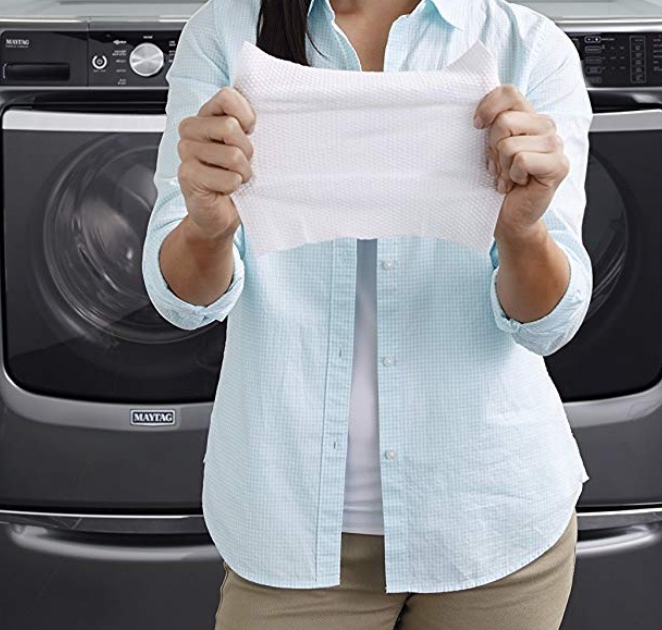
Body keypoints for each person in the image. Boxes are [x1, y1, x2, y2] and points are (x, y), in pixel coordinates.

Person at [142, 0, 594, 627]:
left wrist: (522, 231)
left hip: (489, 518)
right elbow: (182, 303)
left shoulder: (526, 44)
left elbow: (549, 323)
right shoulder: (226, 31)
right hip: (290, 527)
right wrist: (207, 226)